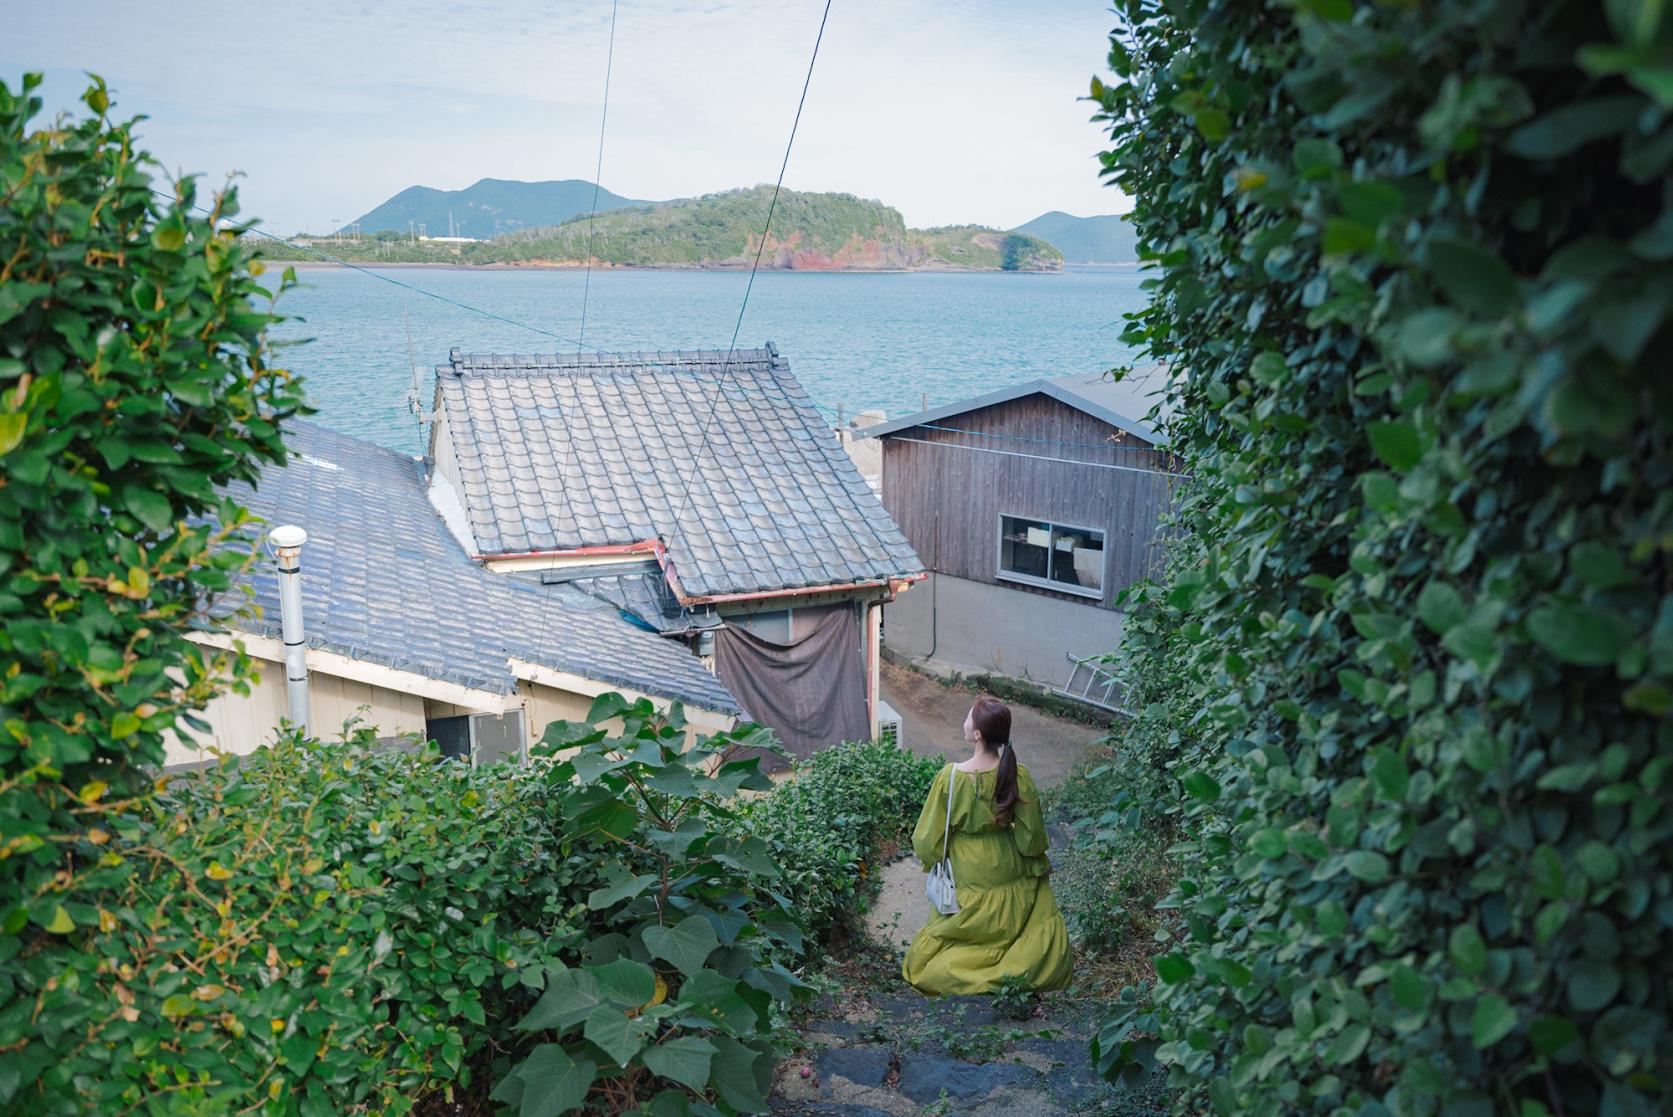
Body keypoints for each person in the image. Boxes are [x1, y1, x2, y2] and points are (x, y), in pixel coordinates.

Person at [901, 696, 1072, 995]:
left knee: (959, 926)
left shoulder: (950, 777)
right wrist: (1033, 860)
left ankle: (959, 973)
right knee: (1011, 923)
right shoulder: (1017, 774)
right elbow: (1031, 835)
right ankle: (1011, 973)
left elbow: (928, 838)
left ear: (978, 734)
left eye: (968, 718)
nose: (964, 722)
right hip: (1007, 860)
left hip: (967, 865)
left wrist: (933, 859)